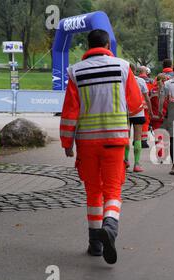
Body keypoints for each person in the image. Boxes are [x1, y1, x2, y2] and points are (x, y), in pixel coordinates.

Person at [60, 29, 144, 264]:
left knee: (93, 192)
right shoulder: (123, 67)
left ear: (88, 46)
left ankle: (95, 244)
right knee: (113, 189)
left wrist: (67, 142)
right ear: (108, 44)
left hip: (87, 143)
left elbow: (69, 112)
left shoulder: (75, 72)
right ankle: (110, 226)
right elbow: (136, 106)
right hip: (115, 141)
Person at [125, 64, 153, 173]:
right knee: (138, 138)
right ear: (134, 71)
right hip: (138, 111)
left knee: (125, 137)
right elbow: (147, 98)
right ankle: (136, 164)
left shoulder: (122, 80)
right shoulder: (141, 81)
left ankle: (125, 160)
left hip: (125, 112)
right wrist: (150, 111)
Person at [149, 73, 168, 163]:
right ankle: (165, 153)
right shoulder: (168, 91)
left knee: (158, 137)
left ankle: (160, 155)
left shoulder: (152, 91)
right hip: (166, 117)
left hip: (155, 118)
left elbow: (150, 104)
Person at [138, 66, 154, 149]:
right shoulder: (151, 81)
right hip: (146, 105)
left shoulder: (135, 79)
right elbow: (151, 93)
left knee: (137, 123)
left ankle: (136, 139)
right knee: (145, 122)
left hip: (136, 104)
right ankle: (143, 140)